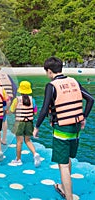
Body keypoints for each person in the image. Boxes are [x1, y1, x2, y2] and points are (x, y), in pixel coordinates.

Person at [32, 57, 94, 200]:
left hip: (62, 129)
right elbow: (90, 99)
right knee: (66, 159)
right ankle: (62, 185)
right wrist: (83, 117)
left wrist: (37, 127)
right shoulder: (74, 82)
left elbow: (44, 109)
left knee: (63, 164)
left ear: (49, 71)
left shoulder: (51, 86)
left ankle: (69, 197)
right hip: (76, 127)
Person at [9, 81, 41, 167]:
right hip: (29, 123)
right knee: (28, 140)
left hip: (19, 123)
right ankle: (35, 154)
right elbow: (35, 112)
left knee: (19, 142)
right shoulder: (32, 100)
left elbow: (11, 110)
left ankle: (18, 159)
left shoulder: (17, 100)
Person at [0, 62, 17, 145]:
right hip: (9, 99)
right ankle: (4, 139)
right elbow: (14, 87)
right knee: (4, 120)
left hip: (0, 99)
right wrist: (12, 100)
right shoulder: (6, 76)